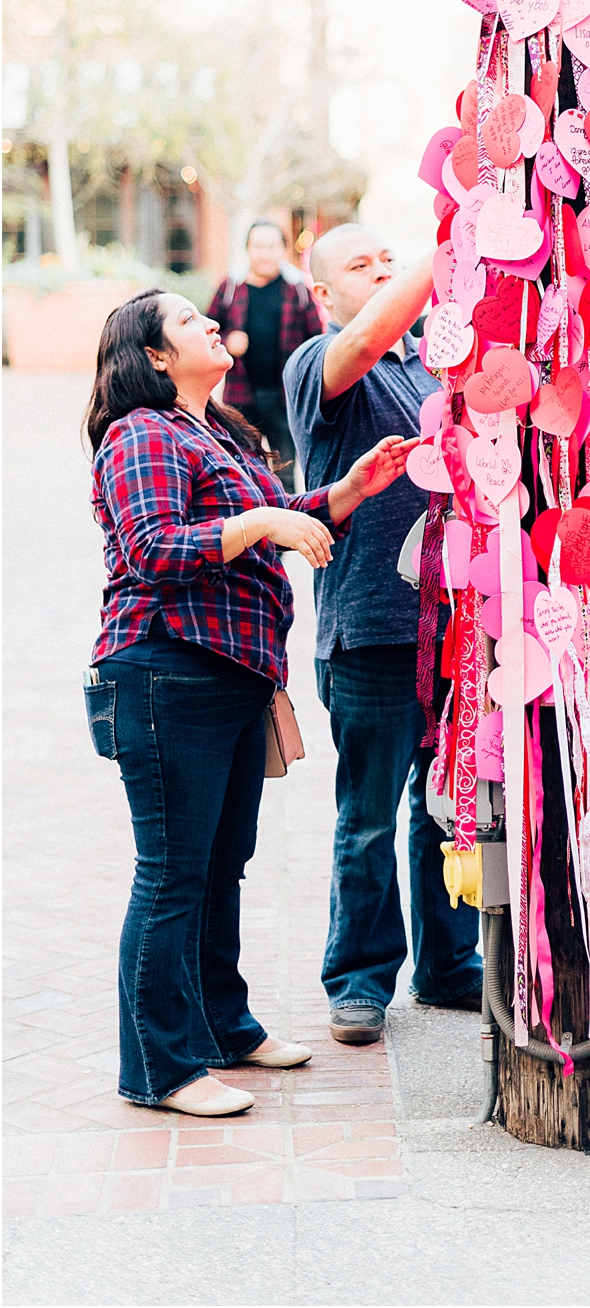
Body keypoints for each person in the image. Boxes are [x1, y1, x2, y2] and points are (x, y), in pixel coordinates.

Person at [85, 288, 414, 1116]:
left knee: (219, 868)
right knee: (170, 876)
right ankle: (159, 1068)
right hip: (165, 671)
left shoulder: (219, 431)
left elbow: (284, 518)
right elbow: (155, 549)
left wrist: (348, 488)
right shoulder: (140, 433)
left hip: (231, 675)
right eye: (188, 321)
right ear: (153, 355)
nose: (209, 324)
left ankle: (224, 1026)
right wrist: (264, 518)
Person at [284, 225, 484, 1047]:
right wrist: (454, 238)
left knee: (443, 807)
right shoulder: (321, 362)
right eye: (358, 267)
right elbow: (368, 334)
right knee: (365, 815)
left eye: (387, 262)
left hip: (451, 629)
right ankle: (360, 978)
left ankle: (447, 964)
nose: (381, 274)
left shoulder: (432, 367)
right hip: (370, 629)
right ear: (324, 295)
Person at [207, 221, 322, 490]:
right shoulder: (230, 287)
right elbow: (206, 331)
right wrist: (227, 340)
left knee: (285, 475)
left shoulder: (299, 289)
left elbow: (318, 340)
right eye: (258, 246)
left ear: (283, 250)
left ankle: (287, 529)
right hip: (239, 398)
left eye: (271, 246)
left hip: (284, 398)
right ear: (248, 250)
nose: (265, 253)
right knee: (241, 473)